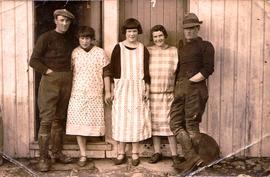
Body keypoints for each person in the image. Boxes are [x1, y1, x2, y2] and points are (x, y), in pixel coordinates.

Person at [29, 9, 75, 172]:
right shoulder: (46, 37)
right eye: (61, 20)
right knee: (47, 120)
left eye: (67, 21)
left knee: (59, 118)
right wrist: (49, 72)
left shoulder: (71, 39)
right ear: (55, 20)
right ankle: (43, 158)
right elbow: (33, 61)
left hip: (67, 80)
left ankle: (56, 152)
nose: (64, 23)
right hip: (50, 81)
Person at [169, 13, 215, 175]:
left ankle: (196, 163)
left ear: (197, 28)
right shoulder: (181, 47)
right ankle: (194, 158)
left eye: (191, 28)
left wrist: (191, 81)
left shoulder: (206, 46)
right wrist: (178, 87)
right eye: (185, 29)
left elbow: (208, 69)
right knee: (174, 124)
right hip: (180, 90)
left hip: (195, 90)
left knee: (191, 126)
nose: (188, 32)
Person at [66, 26, 111, 167]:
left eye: (87, 38)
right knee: (78, 124)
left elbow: (106, 73)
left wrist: (108, 91)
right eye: (82, 38)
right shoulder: (75, 53)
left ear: (92, 39)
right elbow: (70, 73)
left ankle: (92, 152)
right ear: (79, 39)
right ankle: (83, 154)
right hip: (77, 92)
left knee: (92, 122)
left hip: (95, 92)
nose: (85, 41)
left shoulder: (100, 53)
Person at [110, 18, 151, 166]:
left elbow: (147, 71)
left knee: (136, 119)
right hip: (121, 88)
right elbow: (113, 70)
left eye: (134, 31)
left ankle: (135, 153)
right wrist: (112, 90)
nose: (132, 34)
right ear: (125, 33)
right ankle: (121, 153)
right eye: (129, 31)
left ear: (137, 32)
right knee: (122, 119)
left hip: (138, 88)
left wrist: (147, 88)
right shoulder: (118, 48)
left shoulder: (142, 48)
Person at [147, 25, 183, 165]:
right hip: (153, 93)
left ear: (165, 35)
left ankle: (175, 154)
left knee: (170, 124)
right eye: (155, 36)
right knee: (154, 125)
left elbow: (178, 71)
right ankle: (157, 152)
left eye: (160, 36)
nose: (158, 39)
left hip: (169, 93)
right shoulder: (148, 51)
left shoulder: (173, 51)